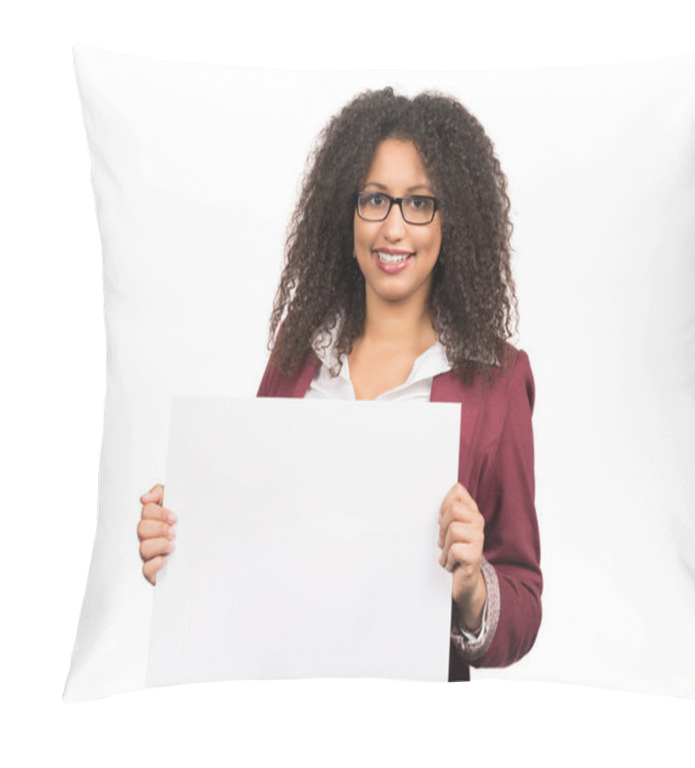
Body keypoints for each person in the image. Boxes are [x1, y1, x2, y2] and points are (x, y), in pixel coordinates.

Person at [137, 87, 542, 681]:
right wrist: (178, 539)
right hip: (280, 701)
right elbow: (252, 544)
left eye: (420, 203)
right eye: (375, 199)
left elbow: (525, 599)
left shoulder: (497, 380)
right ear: (346, 212)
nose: (394, 228)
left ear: (452, 218)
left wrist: (473, 588)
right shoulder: (298, 361)